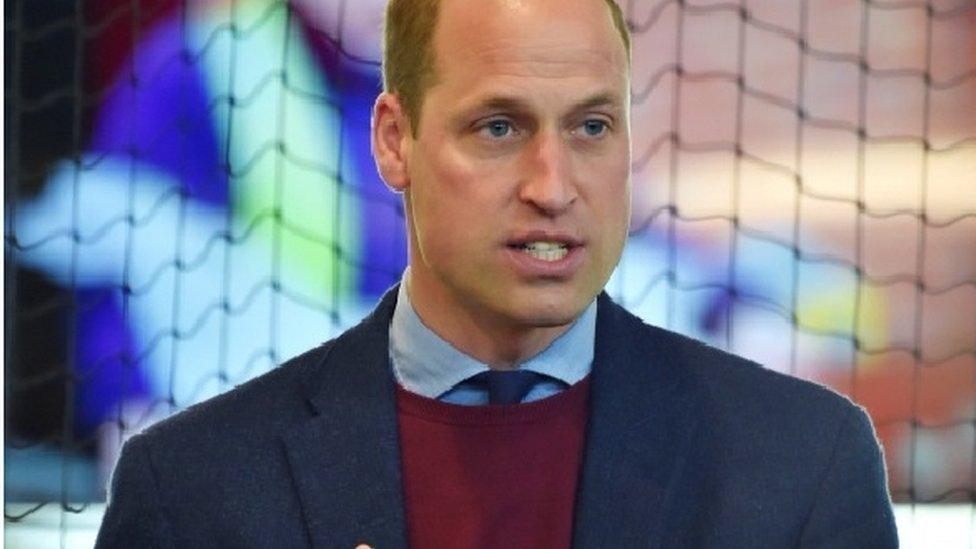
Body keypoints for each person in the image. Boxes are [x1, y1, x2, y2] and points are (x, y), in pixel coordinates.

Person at [95, 0, 898, 547]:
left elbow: (669, 256)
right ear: (395, 140)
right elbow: (107, 246)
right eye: (498, 126)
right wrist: (115, 390)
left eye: (591, 125)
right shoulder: (192, 488)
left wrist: (750, 310)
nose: (551, 185)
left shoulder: (805, 462)